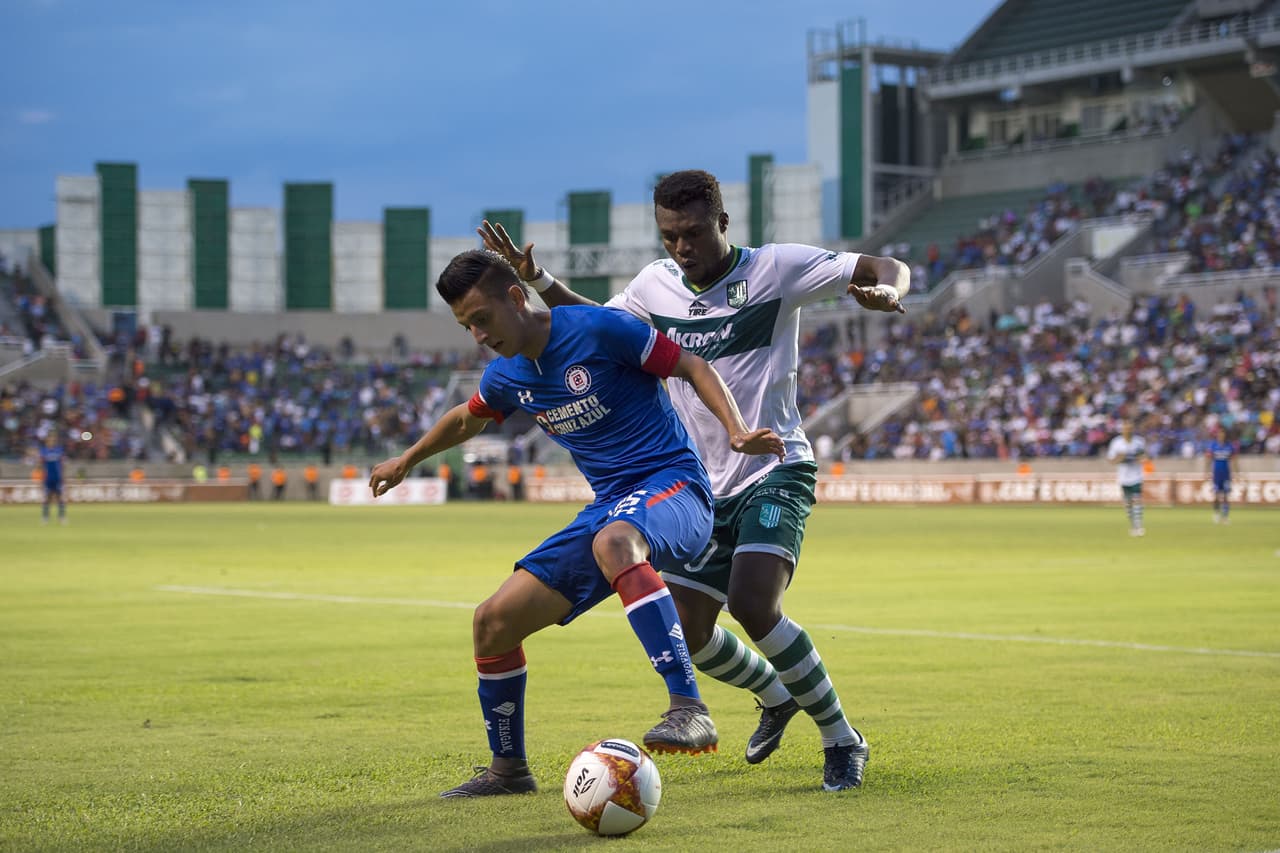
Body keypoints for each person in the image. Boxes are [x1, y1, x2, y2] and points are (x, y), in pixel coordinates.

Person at [479, 168, 909, 791]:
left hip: (773, 465)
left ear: (722, 223)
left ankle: (842, 739)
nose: (682, 247)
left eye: (693, 232)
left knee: (756, 604)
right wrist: (538, 281)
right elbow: (599, 327)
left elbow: (885, 265)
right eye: (670, 235)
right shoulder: (655, 285)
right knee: (692, 631)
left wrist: (889, 292)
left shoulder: (776, 270)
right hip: (696, 483)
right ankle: (775, 694)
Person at [369, 249, 785, 799]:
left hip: (675, 485)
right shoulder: (507, 375)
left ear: (516, 297)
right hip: (610, 504)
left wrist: (734, 430)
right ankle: (508, 770)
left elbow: (690, 364)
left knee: (616, 541)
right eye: (466, 325)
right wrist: (408, 459)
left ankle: (688, 708)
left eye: (482, 318)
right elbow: (467, 416)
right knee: (493, 622)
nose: (477, 335)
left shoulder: (597, 328)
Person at [1107, 420, 1147, 536]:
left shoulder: (1139, 442)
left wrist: (1140, 459)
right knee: (1128, 503)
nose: (1128, 430)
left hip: (1136, 476)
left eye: (1130, 428)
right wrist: (1120, 458)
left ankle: (1139, 526)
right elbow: (1111, 460)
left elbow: (1144, 457)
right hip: (1123, 477)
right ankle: (1133, 524)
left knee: (1137, 499)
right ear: (1122, 430)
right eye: (1126, 428)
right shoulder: (1116, 443)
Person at [1206, 426, 1235, 524]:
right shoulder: (1213, 446)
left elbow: (1234, 460)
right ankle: (1216, 514)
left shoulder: (1229, 446)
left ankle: (1225, 517)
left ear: (1225, 435)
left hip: (1226, 474)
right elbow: (1209, 460)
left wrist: (1238, 472)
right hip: (1216, 474)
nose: (1221, 435)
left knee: (1226, 495)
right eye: (1219, 434)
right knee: (1216, 495)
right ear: (1217, 435)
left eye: (1222, 434)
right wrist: (1206, 472)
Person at [39, 433, 66, 525]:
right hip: (48, 478)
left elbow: (62, 465)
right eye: (50, 440)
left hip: (57, 478)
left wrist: (63, 477)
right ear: (47, 441)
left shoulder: (59, 450)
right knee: (47, 498)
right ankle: (45, 517)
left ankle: (61, 517)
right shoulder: (44, 451)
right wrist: (41, 478)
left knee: (60, 498)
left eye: (53, 440)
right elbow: (41, 466)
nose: (51, 441)